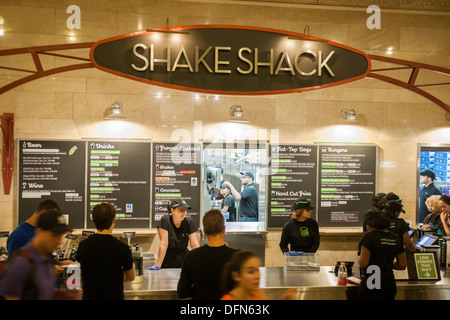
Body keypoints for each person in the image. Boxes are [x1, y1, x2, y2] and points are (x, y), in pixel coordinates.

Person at [0, 210, 71, 300]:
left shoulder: (48, 259)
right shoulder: (21, 263)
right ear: (39, 232)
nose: (59, 241)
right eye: (54, 235)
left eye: (61, 236)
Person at [77, 203, 135, 300]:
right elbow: (131, 277)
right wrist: (118, 276)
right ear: (114, 220)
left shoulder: (83, 245)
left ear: (94, 220)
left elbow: (82, 271)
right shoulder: (122, 248)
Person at [177, 209, 238, 300]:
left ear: (204, 231)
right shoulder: (236, 257)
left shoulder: (192, 256)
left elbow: (182, 292)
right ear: (224, 229)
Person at [357, 210, 406, 300]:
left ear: (368, 224)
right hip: (388, 284)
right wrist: (386, 264)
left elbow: (363, 263)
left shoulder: (369, 237)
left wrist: (359, 258)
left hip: (371, 284)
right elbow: (402, 265)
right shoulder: (395, 237)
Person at [152, 200, 199, 269]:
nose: (184, 213)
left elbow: (194, 245)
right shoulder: (165, 220)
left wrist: (200, 261)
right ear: (172, 210)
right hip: (167, 262)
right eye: (181, 210)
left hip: (184, 261)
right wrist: (158, 265)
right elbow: (164, 244)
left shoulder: (189, 222)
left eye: (185, 210)